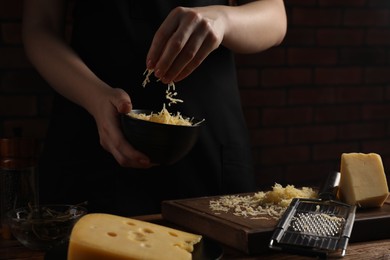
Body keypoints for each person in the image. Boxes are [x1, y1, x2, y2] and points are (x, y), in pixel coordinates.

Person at [22, 0, 287, 216]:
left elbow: (275, 16)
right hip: (92, 127)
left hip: (207, 137)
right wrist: (95, 97)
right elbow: (39, 27)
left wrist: (223, 19)